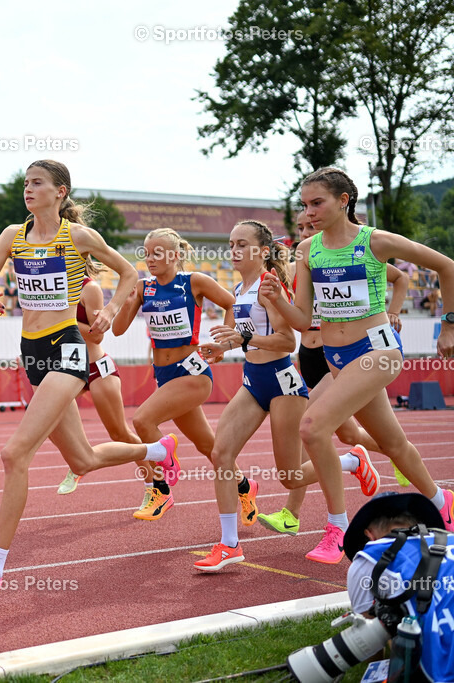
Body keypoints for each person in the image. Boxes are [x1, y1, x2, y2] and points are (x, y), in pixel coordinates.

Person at [0, 160, 174, 605]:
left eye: (37, 184)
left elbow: (130, 273)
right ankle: (156, 450)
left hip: (66, 348)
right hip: (31, 352)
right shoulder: (11, 236)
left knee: (14, 454)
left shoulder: (77, 237)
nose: (28, 190)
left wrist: (108, 312)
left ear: (61, 192)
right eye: (26, 184)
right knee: (84, 459)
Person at [261, 166, 454, 564]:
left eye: (318, 203)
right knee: (393, 443)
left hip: (378, 350)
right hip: (336, 359)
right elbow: (302, 319)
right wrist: (276, 300)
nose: (309, 212)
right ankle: (442, 502)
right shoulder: (306, 250)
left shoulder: (375, 241)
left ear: (343, 201)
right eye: (305, 205)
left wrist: (448, 327)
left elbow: (447, 266)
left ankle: (337, 530)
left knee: (312, 427)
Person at [259, 211, 413, 537]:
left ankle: (294, 511)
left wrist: (393, 312)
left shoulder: (345, 259)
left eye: (307, 226)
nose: (305, 232)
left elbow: (399, 277)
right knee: (347, 435)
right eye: (299, 229)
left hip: (347, 353)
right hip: (311, 354)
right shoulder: (294, 271)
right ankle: (374, 456)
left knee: (317, 426)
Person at [190, 220, 320, 571]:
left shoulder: (267, 285)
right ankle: (229, 544)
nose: (234, 250)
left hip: (282, 383)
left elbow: (286, 341)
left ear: (263, 251)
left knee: (290, 476)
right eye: (231, 244)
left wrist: (243, 340)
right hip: (253, 380)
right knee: (221, 454)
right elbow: (246, 338)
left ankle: (352, 461)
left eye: (242, 244)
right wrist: (223, 348)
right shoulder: (240, 286)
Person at [108, 227, 240, 523]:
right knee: (208, 446)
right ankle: (244, 486)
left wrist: (223, 345)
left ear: (175, 255)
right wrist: (129, 300)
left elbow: (232, 303)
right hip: (164, 375)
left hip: (193, 373)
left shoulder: (194, 282)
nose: (150, 258)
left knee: (143, 420)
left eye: (157, 253)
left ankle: (160, 489)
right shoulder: (144, 288)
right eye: (146, 252)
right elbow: (117, 330)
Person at [344, 492, 452, 682]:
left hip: (441, 668)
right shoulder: (449, 540)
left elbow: (367, 628)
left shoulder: (371, 557)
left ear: (369, 534)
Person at [54, 264, 142, 494]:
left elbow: (97, 335)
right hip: (69, 367)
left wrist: (66, 320)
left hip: (96, 367)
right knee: (50, 419)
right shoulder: (52, 289)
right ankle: (79, 461)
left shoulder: (89, 289)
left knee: (119, 432)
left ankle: (156, 479)